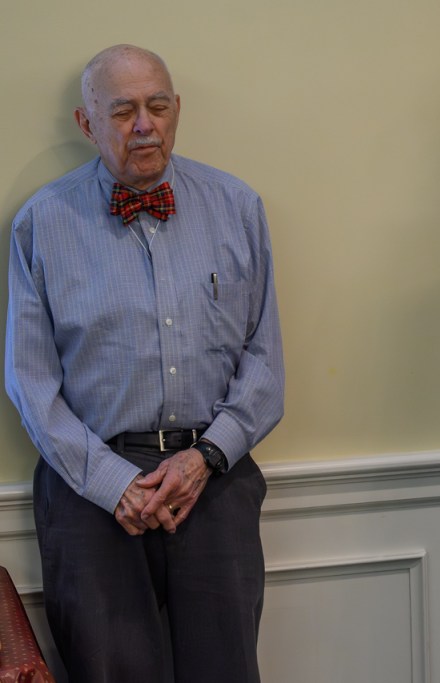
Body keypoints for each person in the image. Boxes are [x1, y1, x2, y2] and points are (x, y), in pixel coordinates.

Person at [4, 44, 284, 682]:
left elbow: (265, 364)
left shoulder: (238, 208)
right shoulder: (40, 226)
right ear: (87, 123)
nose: (144, 125)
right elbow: (30, 383)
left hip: (215, 482)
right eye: (124, 110)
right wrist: (113, 483)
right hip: (89, 494)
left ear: (177, 109)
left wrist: (205, 458)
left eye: (158, 106)